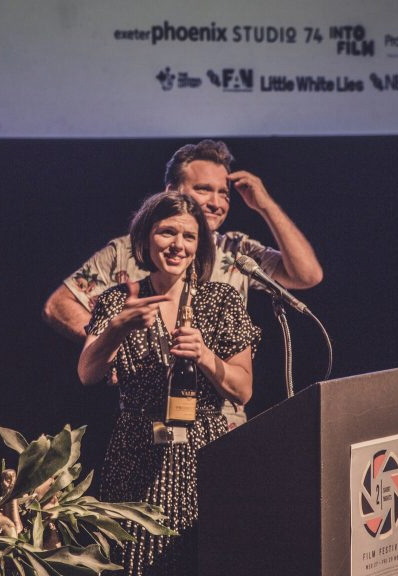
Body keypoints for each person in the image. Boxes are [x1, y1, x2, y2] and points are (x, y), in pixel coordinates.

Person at [78, 191, 260, 576]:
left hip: (201, 458)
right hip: (134, 457)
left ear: (200, 246)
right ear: (146, 238)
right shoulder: (120, 298)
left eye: (188, 236)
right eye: (167, 232)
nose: (177, 244)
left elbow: (243, 388)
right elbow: (87, 374)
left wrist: (206, 356)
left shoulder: (220, 299)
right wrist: (116, 328)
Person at [45, 139, 322, 427]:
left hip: (222, 421)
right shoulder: (125, 251)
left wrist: (265, 205)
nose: (215, 203)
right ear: (171, 191)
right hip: (148, 423)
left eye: (223, 194)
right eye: (203, 189)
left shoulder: (237, 251)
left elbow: (306, 275)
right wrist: (111, 342)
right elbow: (60, 304)